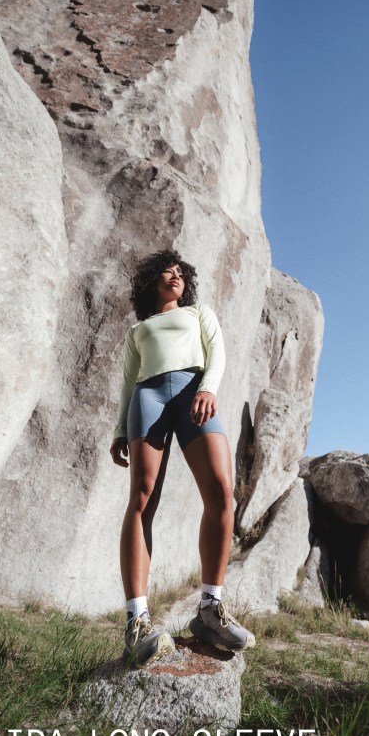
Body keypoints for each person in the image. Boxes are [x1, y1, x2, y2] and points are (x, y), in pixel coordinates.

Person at [110, 249, 255, 668]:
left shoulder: (199, 313)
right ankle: (137, 622)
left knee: (222, 493)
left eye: (179, 273)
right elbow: (126, 384)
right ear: (152, 282)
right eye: (165, 272)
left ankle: (210, 609)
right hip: (148, 398)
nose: (173, 277)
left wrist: (208, 389)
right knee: (142, 498)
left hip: (194, 394)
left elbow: (218, 354)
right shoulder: (139, 329)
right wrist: (120, 429)